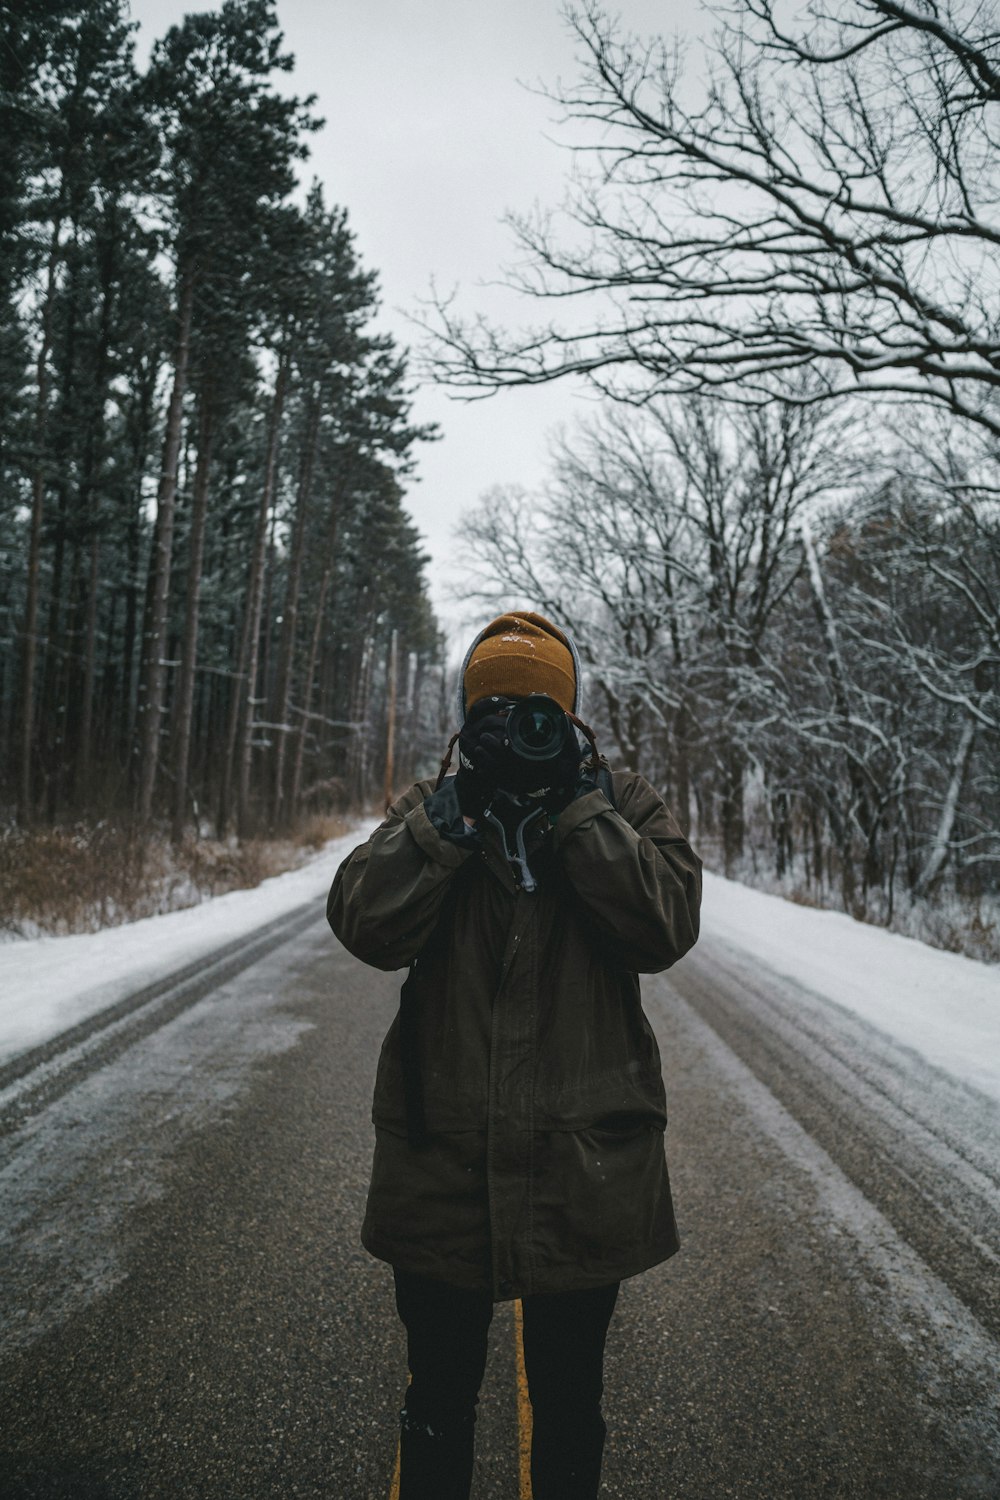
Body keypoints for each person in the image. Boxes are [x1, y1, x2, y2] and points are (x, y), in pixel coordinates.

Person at [328, 610, 702, 1500]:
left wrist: (578, 809)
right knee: (438, 1400)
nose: (520, 729)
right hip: (442, 1165)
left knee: (571, 1403)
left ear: (572, 721)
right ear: (466, 723)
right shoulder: (436, 807)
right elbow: (363, 924)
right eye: (497, 711)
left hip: (584, 1170)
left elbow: (668, 927)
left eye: (540, 711)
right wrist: (447, 826)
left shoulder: (619, 804)